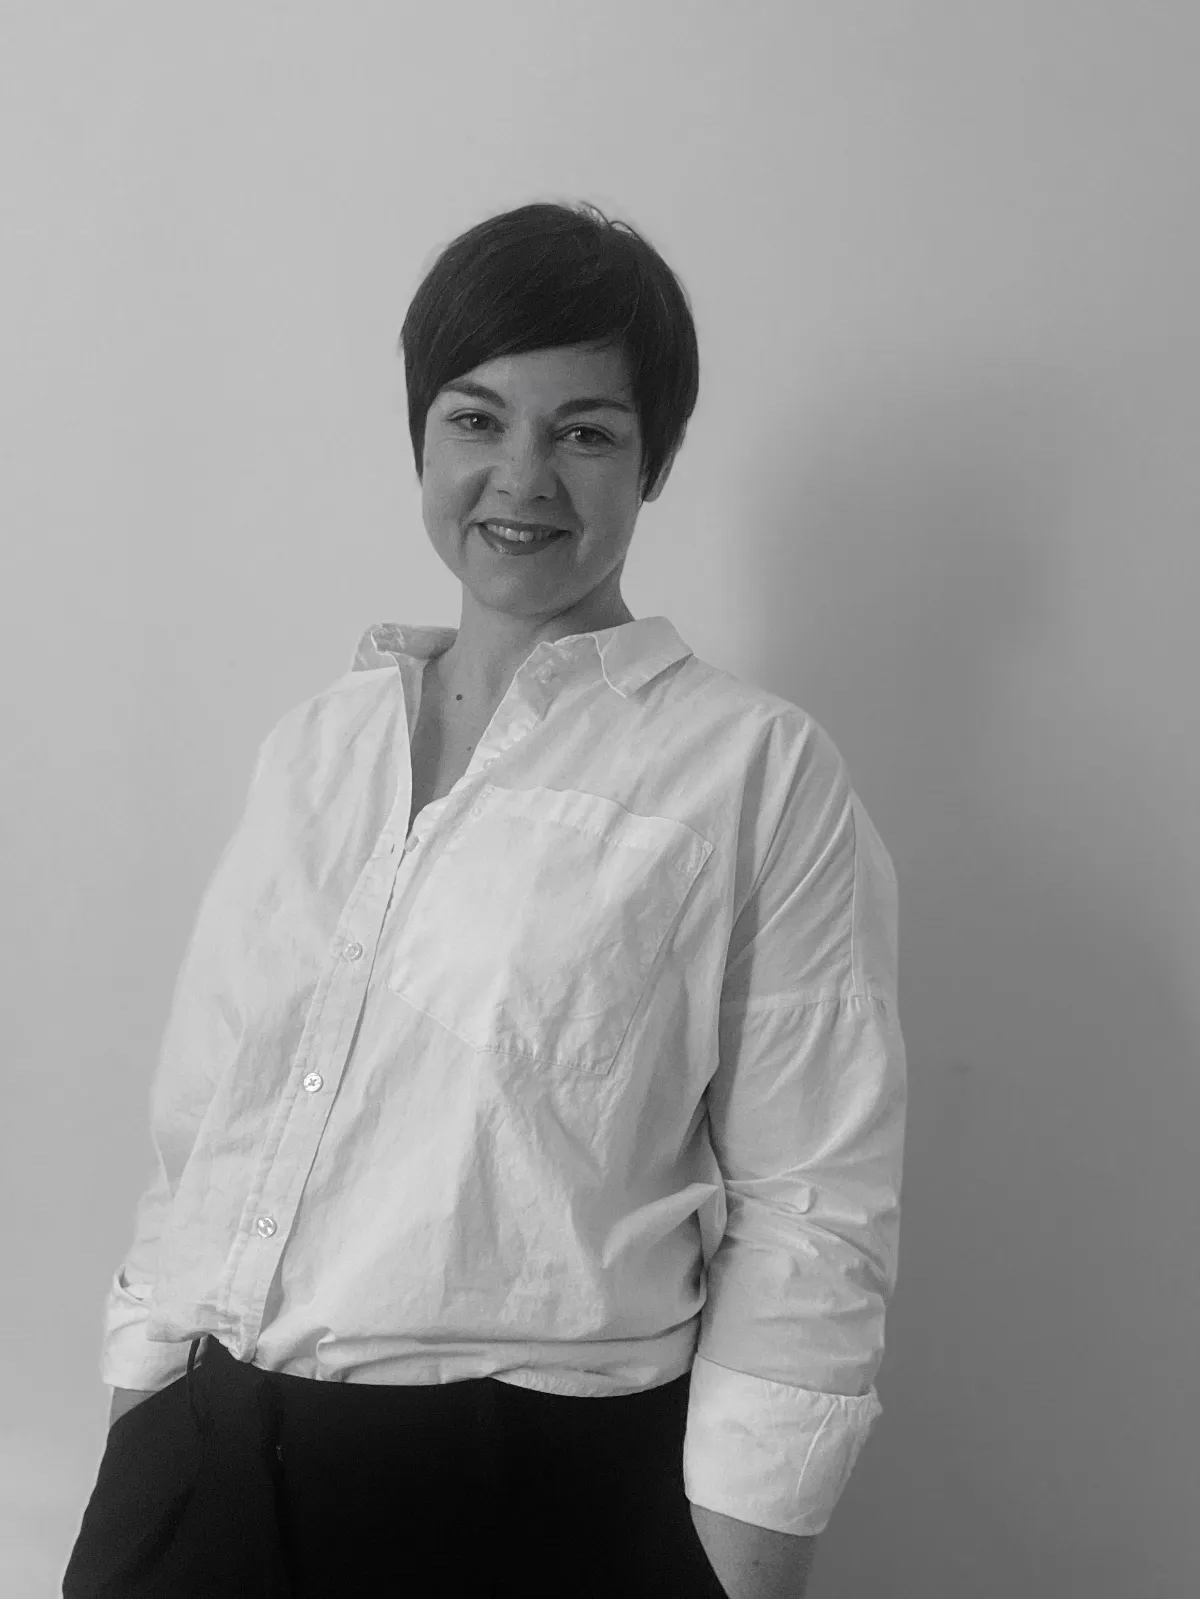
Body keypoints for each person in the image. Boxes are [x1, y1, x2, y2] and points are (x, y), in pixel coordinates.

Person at [63, 199, 906, 1598]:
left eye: (586, 431)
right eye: (475, 418)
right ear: (423, 438)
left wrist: (741, 1571)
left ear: (655, 459)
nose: (522, 475)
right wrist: (142, 1407)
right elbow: (205, 1128)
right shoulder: (314, 750)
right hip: (200, 1457)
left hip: (526, 1495)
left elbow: (813, 1206)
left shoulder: (754, 771)